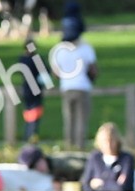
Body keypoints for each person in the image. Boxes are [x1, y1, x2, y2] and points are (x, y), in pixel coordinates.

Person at [49, 16, 97, 150]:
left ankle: (69, 147)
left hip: (66, 88)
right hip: (82, 87)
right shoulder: (86, 48)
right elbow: (93, 70)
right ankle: (80, 148)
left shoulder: (58, 50)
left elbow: (56, 72)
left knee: (69, 121)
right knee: (81, 122)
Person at [17, 39, 50, 142]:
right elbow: (45, 73)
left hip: (26, 89)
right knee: (35, 114)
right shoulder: (37, 59)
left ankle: (27, 135)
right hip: (36, 89)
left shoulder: (22, 59)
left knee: (28, 113)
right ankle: (32, 135)